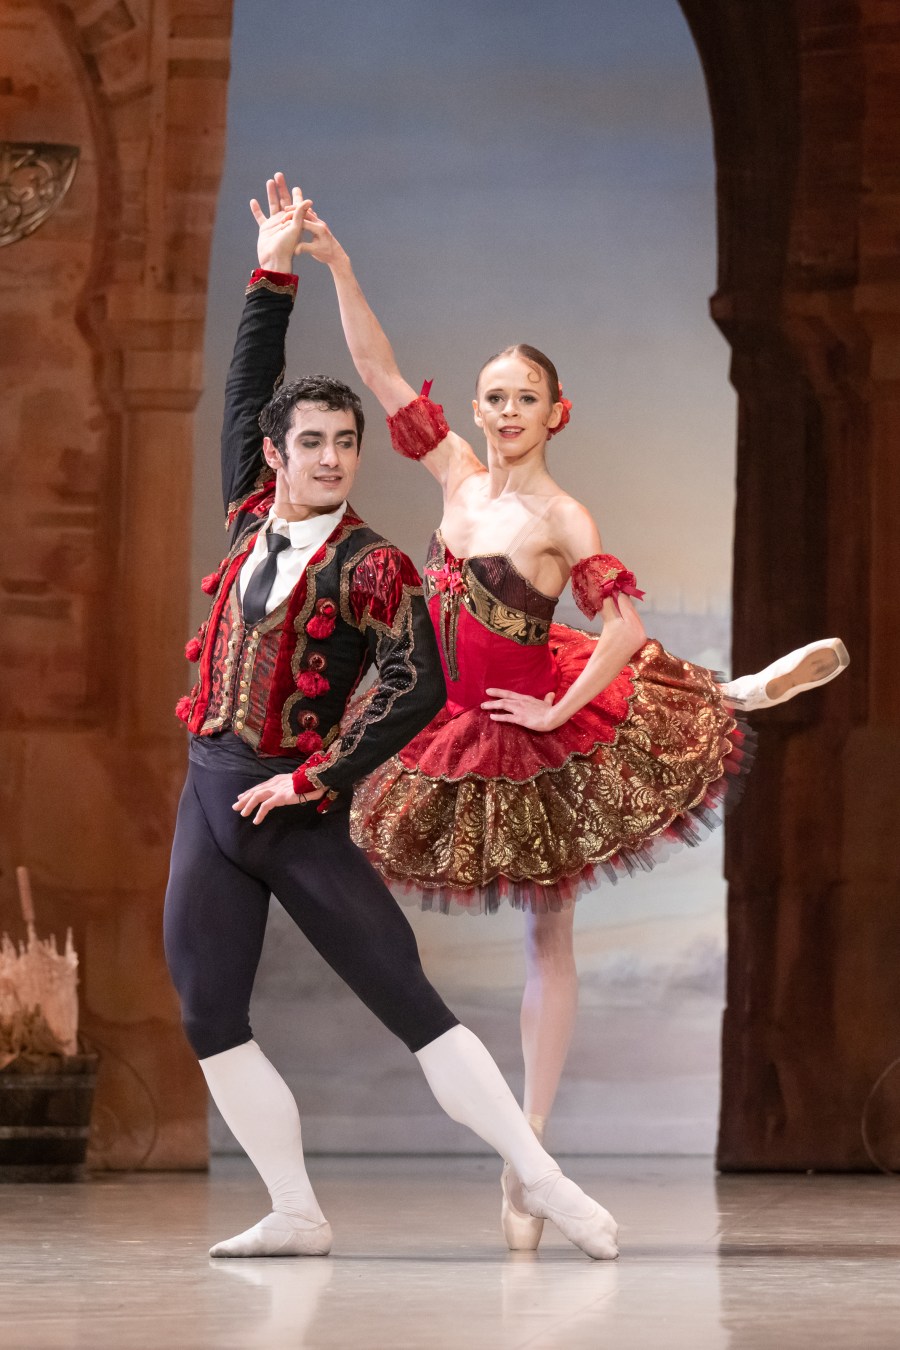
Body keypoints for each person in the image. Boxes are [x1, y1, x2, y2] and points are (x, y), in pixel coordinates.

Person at [289, 197, 850, 1250]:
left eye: (526, 399)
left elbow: (623, 626)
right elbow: (378, 372)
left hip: (529, 719)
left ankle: (530, 1154)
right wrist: (339, 267)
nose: (507, 412)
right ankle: (725, 689)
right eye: (495, 397)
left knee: (550, 931)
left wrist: (555, 704)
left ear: (558, 413)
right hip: (445, 716)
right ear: (478, 407)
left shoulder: (561, 517)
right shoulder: (456, 477)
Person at [163, 174, 619, 1262]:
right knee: (207, 1013)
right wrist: (275, 269)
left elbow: (413, 687)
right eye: (313, 442)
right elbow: (246, 387)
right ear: (275, 454)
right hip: (209, 798)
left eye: (345, 443)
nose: (331, 458)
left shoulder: (373, 565)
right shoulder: (247, 516)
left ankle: (545, 1181)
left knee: (409, 1000)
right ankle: (295, 1209)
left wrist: (314, 778)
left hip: (295, 812)